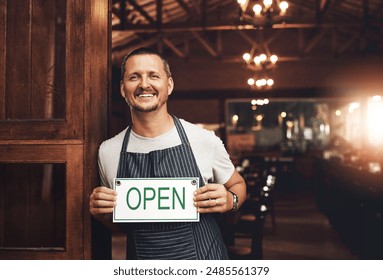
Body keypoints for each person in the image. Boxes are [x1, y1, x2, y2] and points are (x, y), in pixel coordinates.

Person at [89, 47, 246, 260]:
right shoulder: (108, 151)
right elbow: (117, 226)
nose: (144, 84)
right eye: (134, 77)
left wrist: (231, 200)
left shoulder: (203, 139)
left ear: (169, 85)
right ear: (122, 88)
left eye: (153, 76)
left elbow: (238, 185)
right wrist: (103, 214)